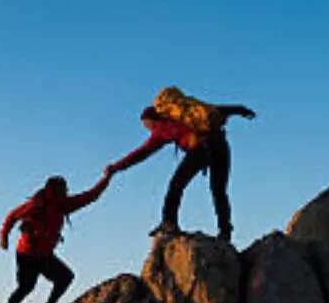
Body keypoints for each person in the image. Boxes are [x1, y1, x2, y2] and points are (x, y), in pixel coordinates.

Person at [106, 98, 255, 241]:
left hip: (200, 150)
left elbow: (140, 153)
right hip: (220, 145)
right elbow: (213, 110)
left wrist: (115, 167)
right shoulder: (184, 115)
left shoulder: (162, 130)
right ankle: (225, 232)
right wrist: (240, 110)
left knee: (176, 185)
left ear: (153, 120)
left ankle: (169, 222)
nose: (148, 129)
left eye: (147, 125)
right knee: (219, 191)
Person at [0, 170, 112, 303]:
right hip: (27, 255)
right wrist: (3, 236)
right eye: (64, 190)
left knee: (65, 277)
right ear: (54, 191)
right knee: (26, 287)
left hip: (44, 255)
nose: (67, 193)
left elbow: (91, 196)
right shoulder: (36, 204)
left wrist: (107, 178)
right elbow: (12, 216)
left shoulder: (64, 205)